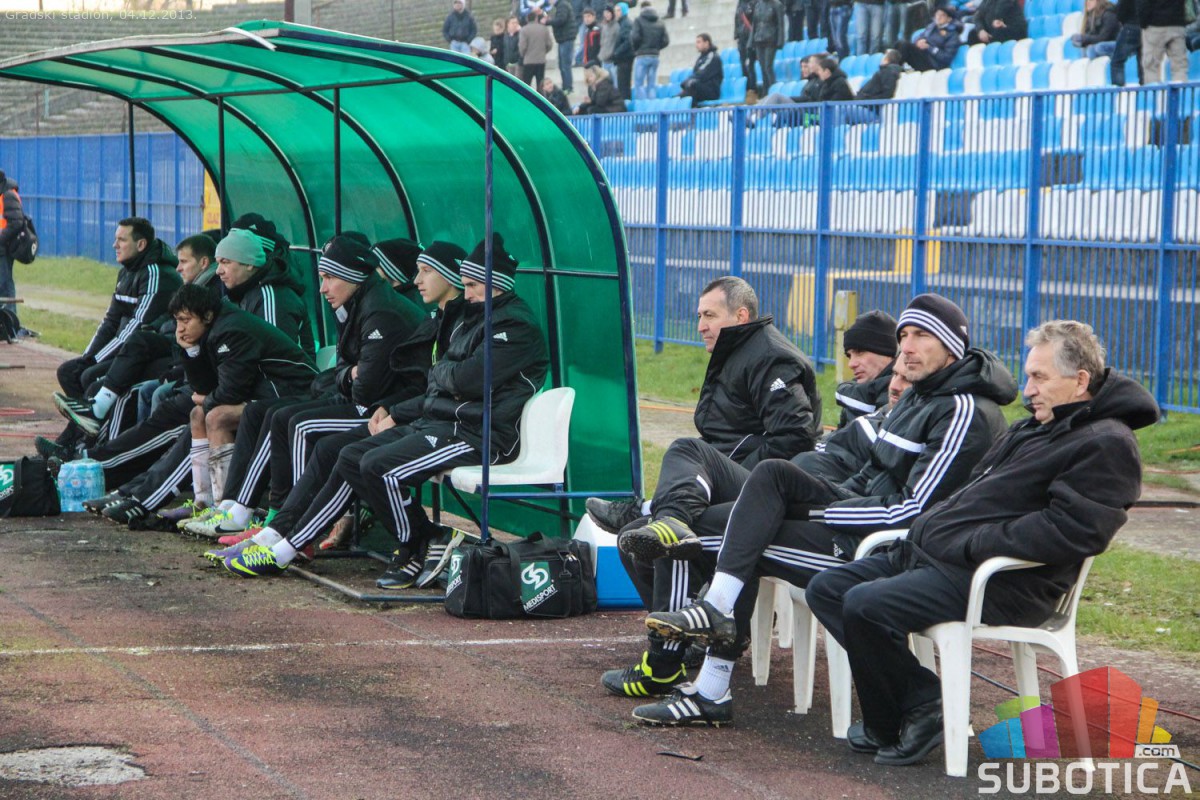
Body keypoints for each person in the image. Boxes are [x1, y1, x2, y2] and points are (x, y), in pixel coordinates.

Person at [627, 293, 1019, 726]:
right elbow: (866, 477)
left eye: (921, 336)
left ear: (951, 346)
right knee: (765, 482)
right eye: (903, 335)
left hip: (876, 549)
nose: (906, 347)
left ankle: (704, 681)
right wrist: (805, 501)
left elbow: (911, 512)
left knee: (717, 536)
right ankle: (712, 627)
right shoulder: (919, 397)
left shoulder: (963, 411)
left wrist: (817, 513)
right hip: (852, 519)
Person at [806, 320, 1158, 766]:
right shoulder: (1035, 427)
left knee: (865, 604)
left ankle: (909, 713)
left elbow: (1073, 530)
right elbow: (973, 494)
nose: (1028, 390)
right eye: (1028, 376)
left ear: (1080, 380)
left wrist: (974, 543)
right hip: (944, 560)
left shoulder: (1106, 443)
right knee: (828, 589)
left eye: (1040, 377)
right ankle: (917, 704)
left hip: (1003, 583)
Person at [215, 234, 550, 585]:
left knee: (375, 465)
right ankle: (287, 542)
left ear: (495, 283)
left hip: (479, 434)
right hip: (441, 420)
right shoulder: (472, 319)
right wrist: (397, 410)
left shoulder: (514, 325)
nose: (466, 294)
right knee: (349, 455)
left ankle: (413, 544)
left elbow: (465, 379)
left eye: (471, 285)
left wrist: (439, 376)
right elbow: (438, 381)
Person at [184, 233, 427, 538]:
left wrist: (349, 376)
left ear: (351, 276)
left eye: (329, 278)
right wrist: (349, 374)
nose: (322, 288)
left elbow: (365, 389)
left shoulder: (380, 310)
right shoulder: (352, 303)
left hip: (383, 408)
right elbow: (345, 367)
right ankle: (243, 509)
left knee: (298, 424)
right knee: (266, 414)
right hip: (358, 397)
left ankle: (288, 529)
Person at [586, 274, 822, 540]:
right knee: (632, 534)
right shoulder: (739, 352)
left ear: (741, 316)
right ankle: (655, 512)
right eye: (699, 316)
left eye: (709, 315)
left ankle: (659, 513)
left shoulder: (770, 357)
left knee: (688, 450)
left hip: (768, 486)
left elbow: (796, 435)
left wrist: (725, 472)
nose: (700, 326)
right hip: (736, 474)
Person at [95, 282, 317, 525]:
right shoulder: (212, 330)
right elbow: (204, 387)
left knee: (216, 416)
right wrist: (191, 351)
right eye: (177, 321)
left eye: (186, 320)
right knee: (197, 415)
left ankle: (223, 508)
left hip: (293, 395)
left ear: (208, 315)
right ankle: (204, 503)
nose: (180, 329)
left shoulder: (232, 329)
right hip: (262, 396)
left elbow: (229, 393)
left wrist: (206, 398)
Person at [55, 217, 182, 429]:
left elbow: (137, 327)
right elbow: (110, 322)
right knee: (69, 372)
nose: (115, 245)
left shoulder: (156, 274)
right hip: (127, 349)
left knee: (89, 377)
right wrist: (88, 357)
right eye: (116, 239)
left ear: (141, 244)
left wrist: (95, 360)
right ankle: (84, 432)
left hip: (147, 353)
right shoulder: (126, 272)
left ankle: (88, 435)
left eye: (122, 240)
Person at [833, 310, 898, 427]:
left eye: (859, 352)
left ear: (886, 352)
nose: (851, 364)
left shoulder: (899, 395)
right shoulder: (857, 389)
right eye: (849, 356)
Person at [0, 168, 34, 339]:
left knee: (5, 286)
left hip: (3, 250)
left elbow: (16, 222)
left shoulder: (8, 194)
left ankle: (9, 327)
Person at [896, 8, 962, 71]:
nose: (939, 17)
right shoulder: (931, 27)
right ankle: (893, 67)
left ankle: (894, 69)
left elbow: (946, 57)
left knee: (905, 46)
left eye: (943, 15)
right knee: (899, 44)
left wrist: (929, 47)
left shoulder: (953, 36)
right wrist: (918, 42)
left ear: (949, 19)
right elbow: (920, 37)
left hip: (934, 64)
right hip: (923, 56)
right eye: (937, 14)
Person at [1139, 0, 1189, 83]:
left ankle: (1153, 89)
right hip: (1177, 24)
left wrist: (1143, 23)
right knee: (1180, 65)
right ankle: (1181, 88)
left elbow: (1144, 5)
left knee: (1151, 66)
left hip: (1155, 26)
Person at [631, 1, 670, 96]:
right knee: (651, 85)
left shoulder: (638, 20)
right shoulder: (660, 21)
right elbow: (666, 40)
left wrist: (637, 49)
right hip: (655, 56)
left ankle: (642, 104)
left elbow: (635, 37)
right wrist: (657, 48)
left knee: (639, 84)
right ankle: (652, 103)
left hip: (642, 55)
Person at [752, 0, 786, 95]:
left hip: (771, 39)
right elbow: (755, 25)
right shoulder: (758, 5)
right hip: (759, 39)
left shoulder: (777, 4)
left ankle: (773, 90)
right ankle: (765, 91)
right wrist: (751, 41)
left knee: (768, 66)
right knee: (762, 67)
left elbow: (780, 24)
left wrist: (780, 41)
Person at [679, 33, 723, 104]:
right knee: (681, 95)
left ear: (706, 43)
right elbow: (696, 73)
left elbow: (702, 74)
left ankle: (691, 110)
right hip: (701, 88)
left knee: (692, 85)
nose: (696, 45)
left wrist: (687, 81)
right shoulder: (701, 58)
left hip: (712, 91)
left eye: (699, 42)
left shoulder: (713, 57)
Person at [1110, 0, 1144, 86]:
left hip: (1130, 26)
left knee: (1117, 62)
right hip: (1145, 28)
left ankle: (1119, 89)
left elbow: (1120, 10)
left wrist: (1124, 21)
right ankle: (1146, 89)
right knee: (1143, 62)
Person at [520, 8, 555, 88]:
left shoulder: (524, 30)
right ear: (536, 18)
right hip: (541, 60)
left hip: (528, 61)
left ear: (527, 19)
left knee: (527, 84)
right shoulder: (544, 29)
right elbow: (549, 44)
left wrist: (524, 55)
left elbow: (522, 46)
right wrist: (543, 52)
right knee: (540, 83)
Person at [549, 0, 577, 93]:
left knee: (565, 65)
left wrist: (548, 22)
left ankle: (568, 87)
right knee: (562, 65)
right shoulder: (559, 6)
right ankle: (565, 86)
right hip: (563, 39)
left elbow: (561, 20)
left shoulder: (562, 5)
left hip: (566, 39)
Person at [612, 2, 636, 99]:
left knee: (623, 85)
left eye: (618, 10)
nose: (616, 13)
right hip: (623, 58)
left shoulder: (626, 24)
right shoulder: (622, 23)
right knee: (622, 85)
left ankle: (625, 103)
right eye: (615, 11)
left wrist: (616, 53)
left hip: (625, 58)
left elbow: (627, 42)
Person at [735, 0, 758, 98]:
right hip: (741, 38)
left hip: (750, 38)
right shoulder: (740, 3)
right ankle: (747, 89)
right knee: (743, 66)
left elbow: (756, 21)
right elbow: (736, 19)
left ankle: (753, 89)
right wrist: (736, 34)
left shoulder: (754, 2)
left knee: (750, 65)